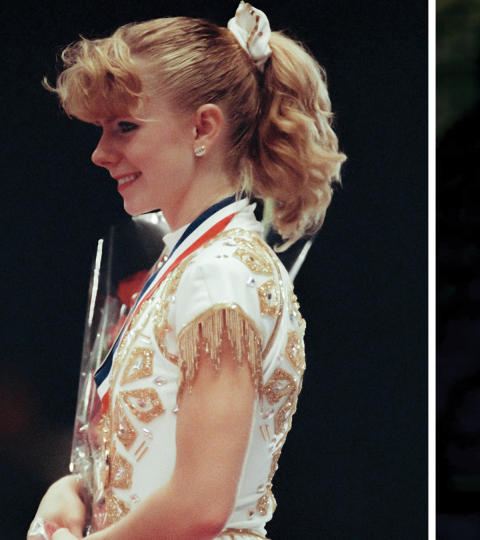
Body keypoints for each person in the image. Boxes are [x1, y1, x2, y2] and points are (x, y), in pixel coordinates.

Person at [28, 3, 344, 539]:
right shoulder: (200, 264)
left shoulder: (219, 272)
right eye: (103, 129)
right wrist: (78, 489)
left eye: (124, 127)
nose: (100, 153)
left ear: (203, 126)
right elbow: (157, 456)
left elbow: (201, 504)